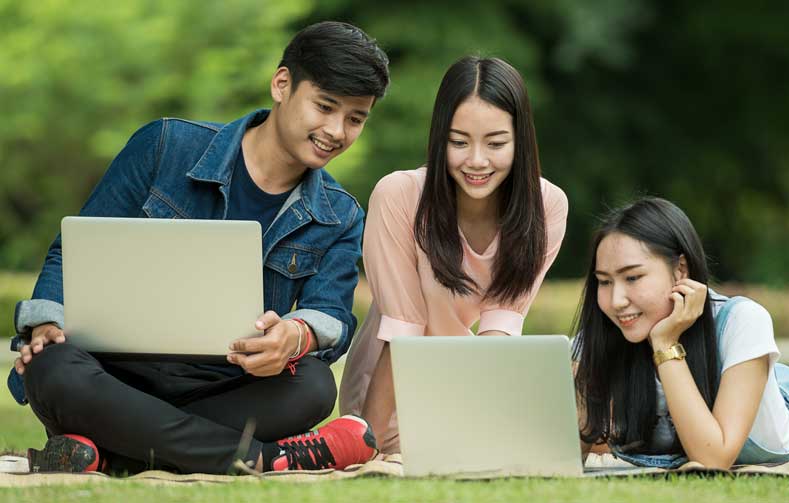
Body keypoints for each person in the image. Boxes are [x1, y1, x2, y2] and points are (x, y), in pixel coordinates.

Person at [9, 21, 389, 475]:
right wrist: (48, 322)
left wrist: (296, 336)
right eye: (325, 107)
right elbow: (70, 252)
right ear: (282, 84)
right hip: (111, 374)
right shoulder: (164, 145)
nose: (336, 130)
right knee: (51, 367)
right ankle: (263, 459)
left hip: (226, 385)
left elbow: (330, 314)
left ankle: (109, 451)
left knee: (312, 385)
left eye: (355, 118)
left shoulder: (340, 214)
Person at [339, 56, 569, 454]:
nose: (476, 161)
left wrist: (484, 422)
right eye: (459, 142)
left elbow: (500, 331)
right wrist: (368, 448)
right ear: (438, 138)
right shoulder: (400, 196)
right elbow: (402, 332)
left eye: (496, 143)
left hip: (472, 376)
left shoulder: (546, 206)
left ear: (521, 141)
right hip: (388, 388)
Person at [573, 197, 789, 469]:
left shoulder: (741, 320)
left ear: (681, 269)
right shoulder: (603, 334)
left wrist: (666, 344)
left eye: (632, 277)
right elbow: (564, 452)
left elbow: (713, 460)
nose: (616, 300)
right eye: (604, 281)